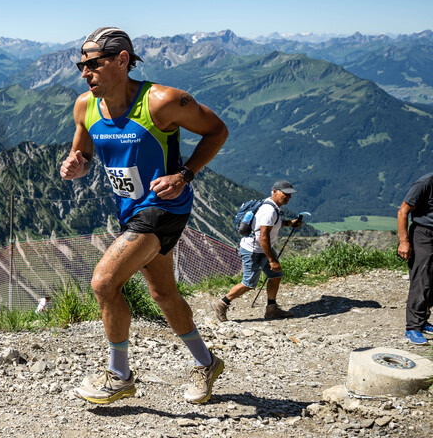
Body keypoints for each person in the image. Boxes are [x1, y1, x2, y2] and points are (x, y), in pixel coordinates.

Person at [59, 27, 229, 406]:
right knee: (163, 293)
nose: (86, 73)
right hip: (130, 210)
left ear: (122, 60)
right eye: (81, 66)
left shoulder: (163, 101)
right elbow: (82, 155)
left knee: (104, 282)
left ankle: (119, 375)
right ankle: (206, 362)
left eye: (93, 64)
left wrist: (184, 175)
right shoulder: (84, 106)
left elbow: (217, 131)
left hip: (164, 208)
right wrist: (75, 166)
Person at [214, 181, 304, 321]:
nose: (288, 197)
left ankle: (272, 309)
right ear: (274, 192)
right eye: (284, 193)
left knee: (276, 275)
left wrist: (289, 223)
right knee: (248, 283)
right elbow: (263, 237)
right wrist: (272, 260)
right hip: (254, 250)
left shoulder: (272, 207)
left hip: (262, 249)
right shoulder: (269, 210)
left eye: (289, 194)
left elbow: (273, 225)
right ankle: (222, 303)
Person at [397, 172, 433, 345]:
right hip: (423, 235)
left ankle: (423, 320)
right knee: (421, 281)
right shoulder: (425, 183)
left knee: (431, 282)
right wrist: (404, 242)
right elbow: (403, 211)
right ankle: (412, 328)